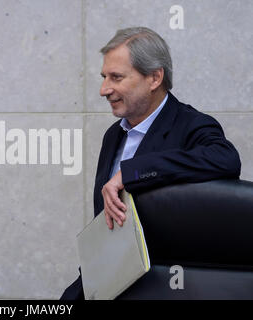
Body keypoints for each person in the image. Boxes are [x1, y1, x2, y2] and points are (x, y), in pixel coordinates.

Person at [61, 27, 241, 299]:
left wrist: (131, 173)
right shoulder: (114, 135)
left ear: (155, 77)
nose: (103, 89)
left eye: (116, 77)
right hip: (109, 282)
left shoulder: (191, 125)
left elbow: (225, 159)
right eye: (104, 77)